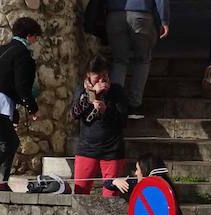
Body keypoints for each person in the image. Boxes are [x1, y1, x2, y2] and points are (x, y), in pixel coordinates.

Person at [0, 17, 41, 188]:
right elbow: (21, 85)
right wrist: (32, 107)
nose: (35, 41)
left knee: (9, 142)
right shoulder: (24, 54)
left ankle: (2, 182)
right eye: (35, 37)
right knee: (9, 143)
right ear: (30, 36)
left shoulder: (2, 49)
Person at [70, 56, 129, 196]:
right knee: (80, 194)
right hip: (87, 149)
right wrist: (92, 94)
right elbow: (73, 114)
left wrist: (106, 110)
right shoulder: (82, 91)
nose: (101, 80)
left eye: (105, 75)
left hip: (112, 150)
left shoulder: (116, 91)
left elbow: (123, 121)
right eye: (97, 76)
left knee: (111, 197)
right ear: (88, 76)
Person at [107, 0, 169, 116]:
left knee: (119, 61)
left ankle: (115, 104)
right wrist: (164, 20)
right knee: (142, 60)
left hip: (115, 14)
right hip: (141, 15)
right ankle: (134, 103)